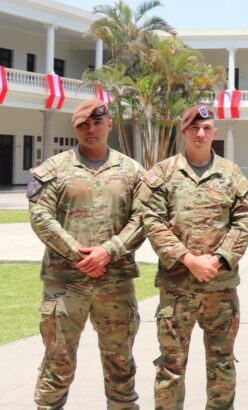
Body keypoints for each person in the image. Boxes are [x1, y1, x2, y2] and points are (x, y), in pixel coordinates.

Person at [27, 98, 147, 409]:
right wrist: (78, 254)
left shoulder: (132, 171)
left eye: (97, 122)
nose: (90, 129)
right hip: (66, 284)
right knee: (57, 365)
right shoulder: (53, 170)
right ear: (75, 128)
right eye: (83, 124)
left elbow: (144, 218)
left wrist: (108, 251)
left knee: (121, 365)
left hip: (115, 285)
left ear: (109, 125)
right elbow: (41, 217)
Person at [138, 103, 248, 409]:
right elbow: (153, 221)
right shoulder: (162, 174)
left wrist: (219, 259)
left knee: (222, 365)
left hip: (220, 286)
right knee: (170, 368)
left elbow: (244, 221)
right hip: (177, 288)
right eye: (194, 128)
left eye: (206, 129)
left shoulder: (231, 174)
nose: (200, 134)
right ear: (184, 132)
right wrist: (188, 259)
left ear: (214, 132)